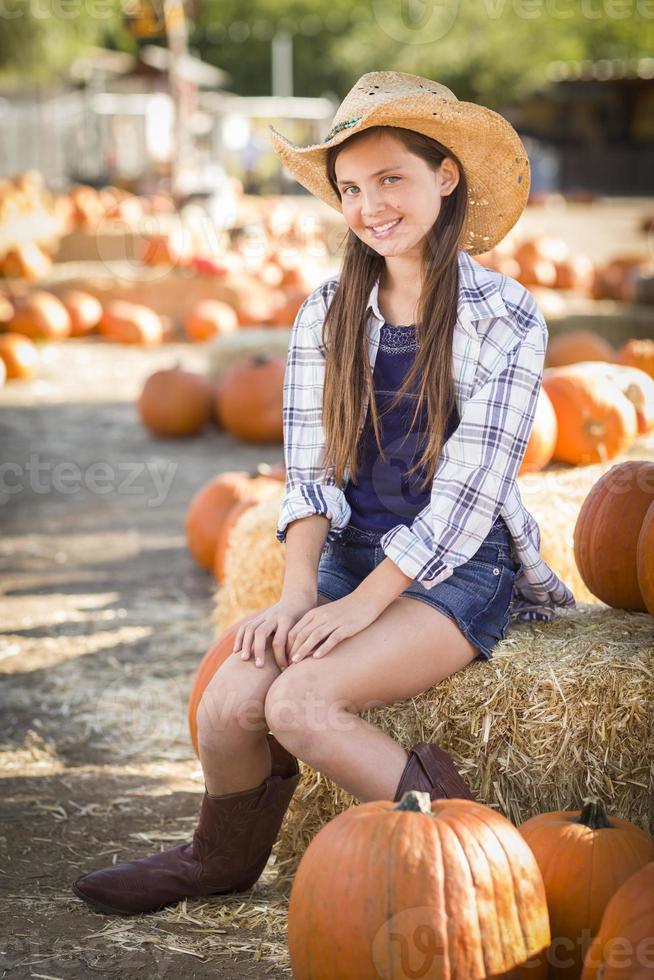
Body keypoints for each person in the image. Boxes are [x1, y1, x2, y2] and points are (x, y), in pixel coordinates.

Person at [72, 70, 576, 918]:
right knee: (232, 702)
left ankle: (484, 856)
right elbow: (308, 475)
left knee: (302, 704)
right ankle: (217, 863)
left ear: (444, 176)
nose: (371, 206)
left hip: (456, 570)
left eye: (391, 179)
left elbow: (466, 496)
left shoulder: (507, 317)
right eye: (350, 188)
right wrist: (300, 593)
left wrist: (364, 605)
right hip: (347, 554)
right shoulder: (326, 312)